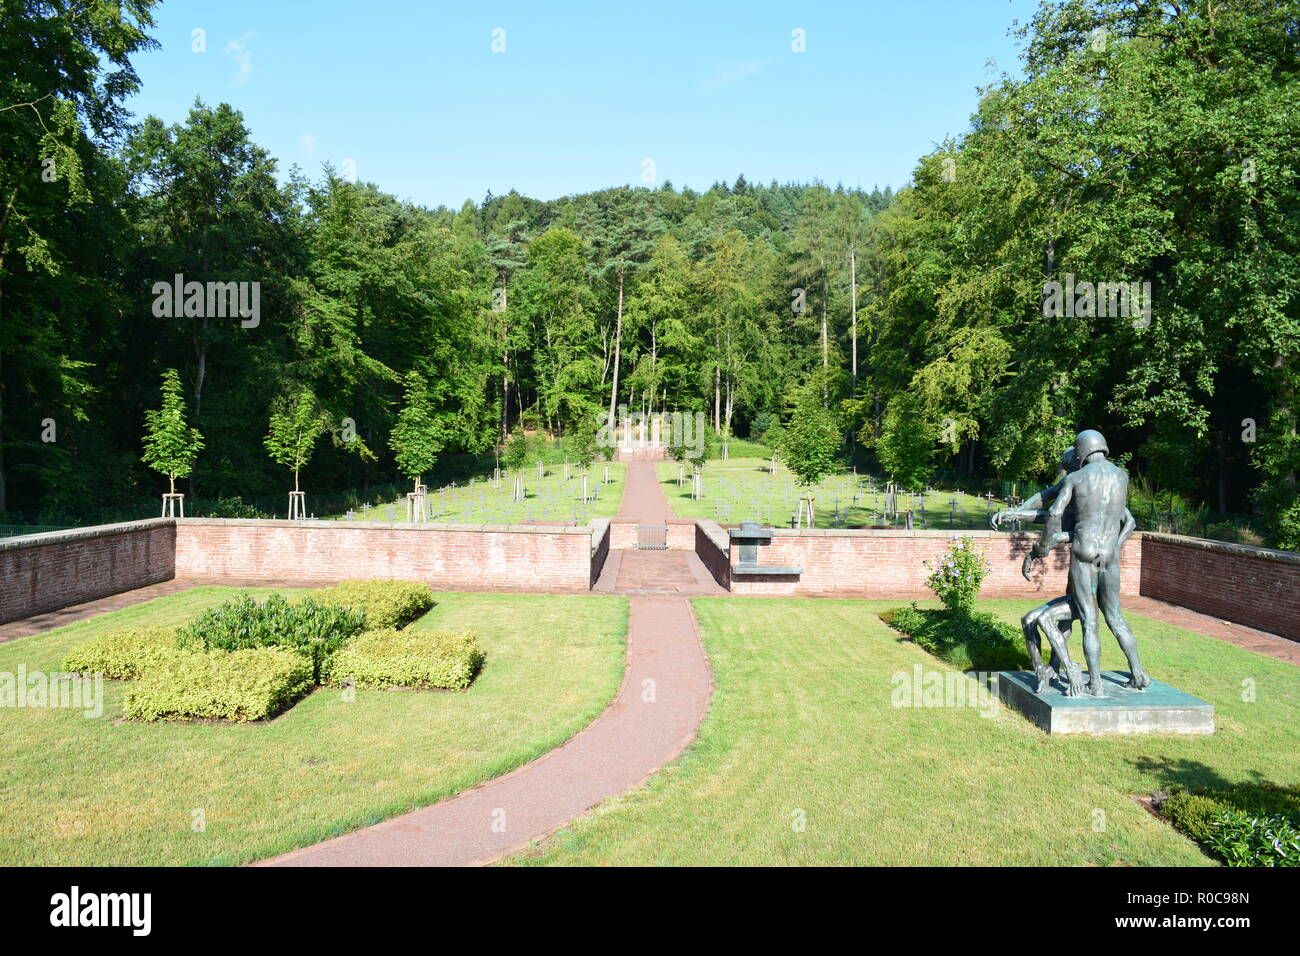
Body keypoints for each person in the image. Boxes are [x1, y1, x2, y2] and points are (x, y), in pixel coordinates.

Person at [1042, 429, 1150, 695]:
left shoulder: (1078, 477)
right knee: (1115, 617)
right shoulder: (1121, 477)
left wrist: (1044, 545)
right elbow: (1130, 522)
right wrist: (1117, 544)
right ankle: (1138, 674)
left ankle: (1097, 685)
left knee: (1090, 620)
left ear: (1082, 451)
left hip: (1085, 555)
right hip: (1106, 557)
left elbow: (1055, 511)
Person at [992, 448, 1084, 694]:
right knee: (1030, 620)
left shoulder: (1091, 493)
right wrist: (1014, 514)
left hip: (1090, 581)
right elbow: (1044, 500)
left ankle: (1069, 669)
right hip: (1075, 581)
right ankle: (1044, 669)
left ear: (1078, 460)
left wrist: (1039, 549)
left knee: (1047, 618)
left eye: (1068, 464)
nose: (1066, 469)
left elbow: (1056, 519)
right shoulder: (1072, 484)